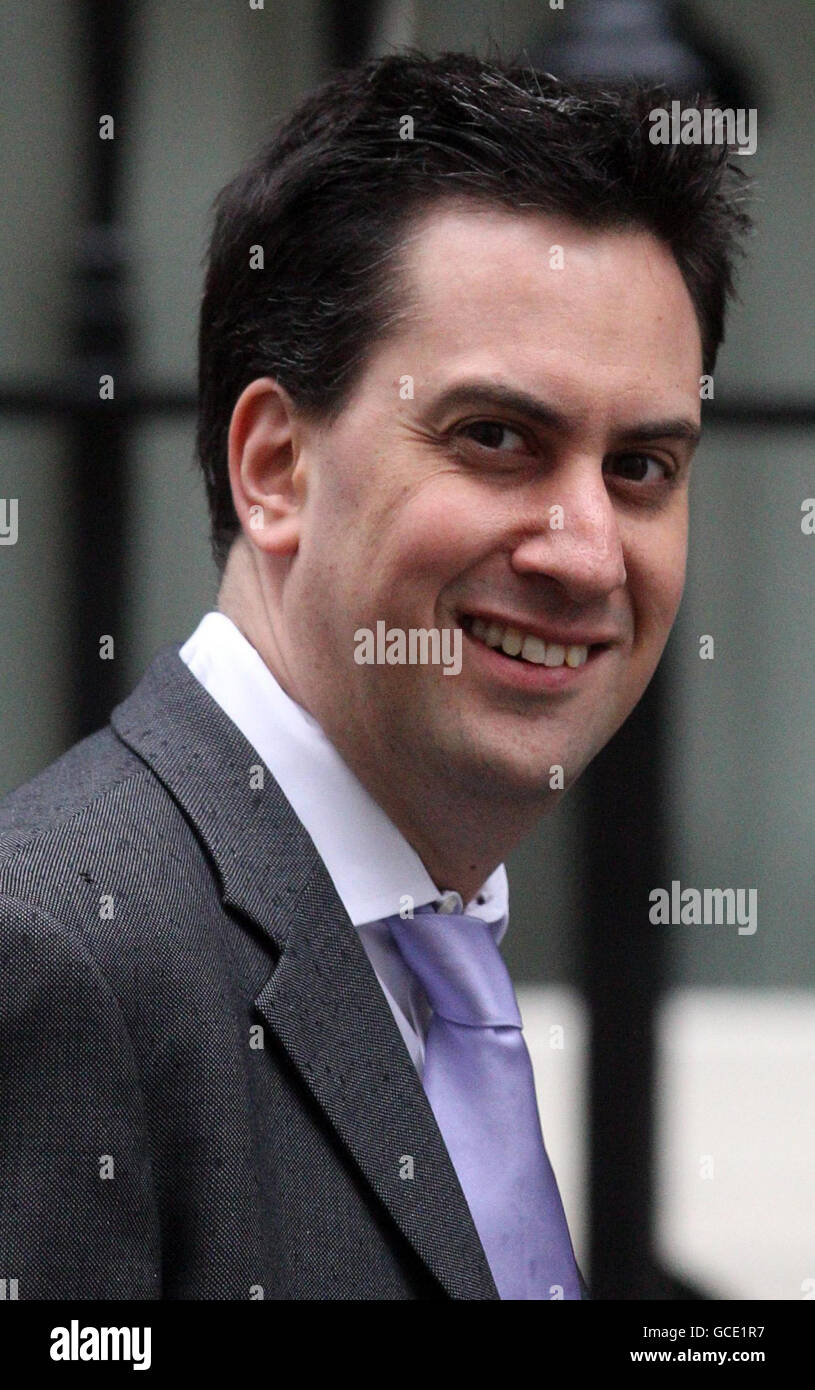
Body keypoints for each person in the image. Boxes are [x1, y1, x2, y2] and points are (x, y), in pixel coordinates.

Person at [0, 51, 751, 1300]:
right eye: (497, 438)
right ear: (275, 468)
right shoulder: (54, 961)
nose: (583, 553)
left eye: (640, 468)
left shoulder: (425, 943)